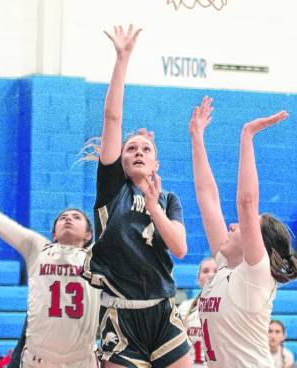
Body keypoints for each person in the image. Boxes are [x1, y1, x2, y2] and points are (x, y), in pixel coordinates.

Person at [80, 25, 191, 368]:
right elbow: (112, 117)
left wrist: (154, 206)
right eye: (131, 149)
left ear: (157, 162)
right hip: (120, 316)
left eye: (146, 148)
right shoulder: (113, 189)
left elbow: (180, 248)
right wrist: (122, 58)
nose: (138, 152)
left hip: (162, 312)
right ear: (121, 160)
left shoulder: (169, 199)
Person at [0, 140, 99, 368]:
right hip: (37, 360)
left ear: (88, 234)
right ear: (53, 233)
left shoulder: (98, 256)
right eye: (63, 217)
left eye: (76, 217)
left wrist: (140, 179)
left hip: (81, 362)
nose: (68, 219)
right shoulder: (38, 247)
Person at [189, 96, 297, 367]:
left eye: (244, 225)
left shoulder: (254, 275)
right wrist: (197, 138)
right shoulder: (223, 267)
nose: (233, 225)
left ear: (258, 242)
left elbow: (246, 202)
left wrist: (247, 135)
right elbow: (207, 197)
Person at [177, 258, 218, 367]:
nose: (210, 275)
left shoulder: (230, 309)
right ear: (198, 279)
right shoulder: (184, 307)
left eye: (216, 271)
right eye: (205, 271)